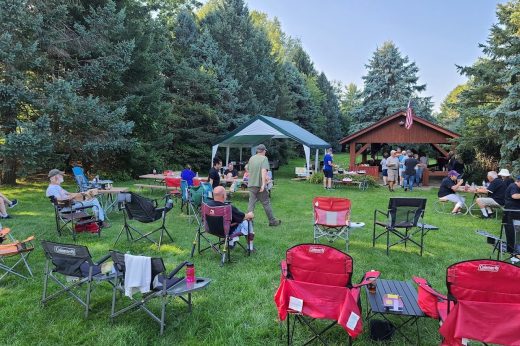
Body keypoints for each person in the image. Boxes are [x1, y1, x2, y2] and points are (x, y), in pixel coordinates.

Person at [206, 186, 255, 251]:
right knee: (248, 221)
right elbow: (243, 217)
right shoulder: (227, 208)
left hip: (211, 229)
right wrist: (250, 214)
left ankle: (231, 243)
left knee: (232, 220)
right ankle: (250, 248)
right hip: (226, 232)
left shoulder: (208, 205)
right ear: (223, 196)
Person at [246, 144, 281, 226]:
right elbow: (263, 171)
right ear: (263, 151)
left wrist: (254, 175)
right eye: (265, 151)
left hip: (251, 184)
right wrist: (263, 184)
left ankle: (248, 222)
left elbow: (247, 168)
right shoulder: (264, 158)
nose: (265, 152)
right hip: (259, 185)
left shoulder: (252, 158)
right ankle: (272, 221)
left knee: (251, 204)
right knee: (266, 203)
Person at [503, 175, 520, 253]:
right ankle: (513, 250)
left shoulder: (516, 186)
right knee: (512, 232)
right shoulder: (513, 186)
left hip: (514, 211)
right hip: (511, 212)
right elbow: (514, 196)